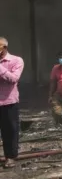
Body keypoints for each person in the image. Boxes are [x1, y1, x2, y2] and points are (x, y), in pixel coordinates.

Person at [0, 37, 24, 168]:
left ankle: (10, 157)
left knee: (10, 131)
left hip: (8, 102)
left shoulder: (16, 60)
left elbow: (14, 78)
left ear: (4, 47)